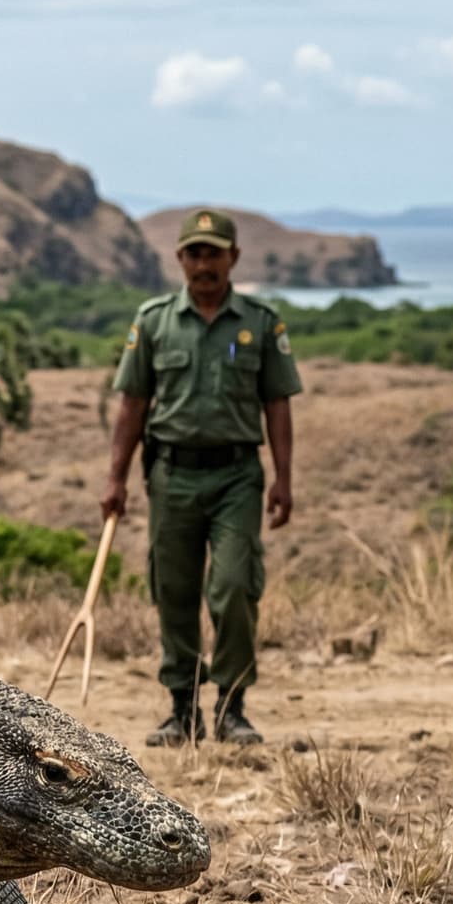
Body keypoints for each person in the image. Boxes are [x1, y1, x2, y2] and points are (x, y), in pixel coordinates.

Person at [102, 208, 302, 747]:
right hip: (170, 475)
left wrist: (284, 479)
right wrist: (115, 478)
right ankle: (182, 709)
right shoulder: (154, 320)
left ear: (233, 258)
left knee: (235, 586)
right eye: (194, 252)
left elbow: (278, 405)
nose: (204, 263)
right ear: (180, 260)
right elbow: (133, 404)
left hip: (238, 475)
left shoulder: (259, 323)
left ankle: (232, 706)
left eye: (214, 252)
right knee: (175, 591)